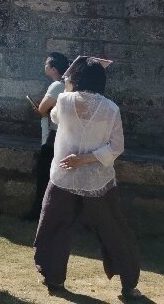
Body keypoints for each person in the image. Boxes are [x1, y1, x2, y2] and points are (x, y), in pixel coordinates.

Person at [33, 57, 142, 299]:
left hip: (64, 176)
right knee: (114, 230)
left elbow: (54, 118)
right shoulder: (111, 108)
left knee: (55, 226)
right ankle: (129, 283)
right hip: (97, 178)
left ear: (76, 78)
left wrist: (67, 84)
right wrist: (84, 159)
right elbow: (116, 147)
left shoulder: (64, 101)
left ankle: (53, 277)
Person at [27, 52, 70, 220]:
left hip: (52, 137)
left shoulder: (57, 86)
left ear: (53, 69)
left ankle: (37, 213)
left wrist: (39, 109)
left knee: (44, 176)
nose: (44, 66)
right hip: (66, 138)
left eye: (47, 64)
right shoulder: (70, 85)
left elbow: (43, 109)